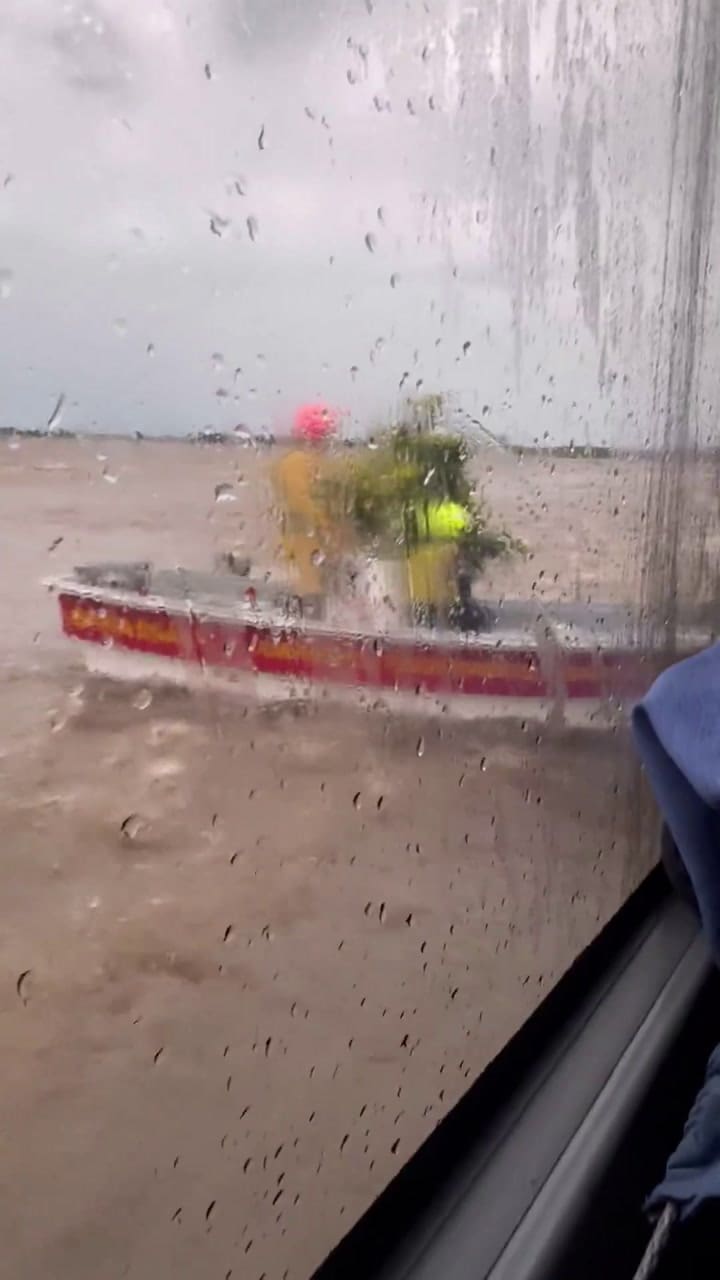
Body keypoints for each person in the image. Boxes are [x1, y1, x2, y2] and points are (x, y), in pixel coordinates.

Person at [271, 404, 347, 603]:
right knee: (311, 600)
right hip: (305, 551)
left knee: (324, 601)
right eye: (327, 433)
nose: (330, 439)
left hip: (320, 552)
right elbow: (300, 501)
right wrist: (327, 527)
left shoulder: (318, 464)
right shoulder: (296, 463)